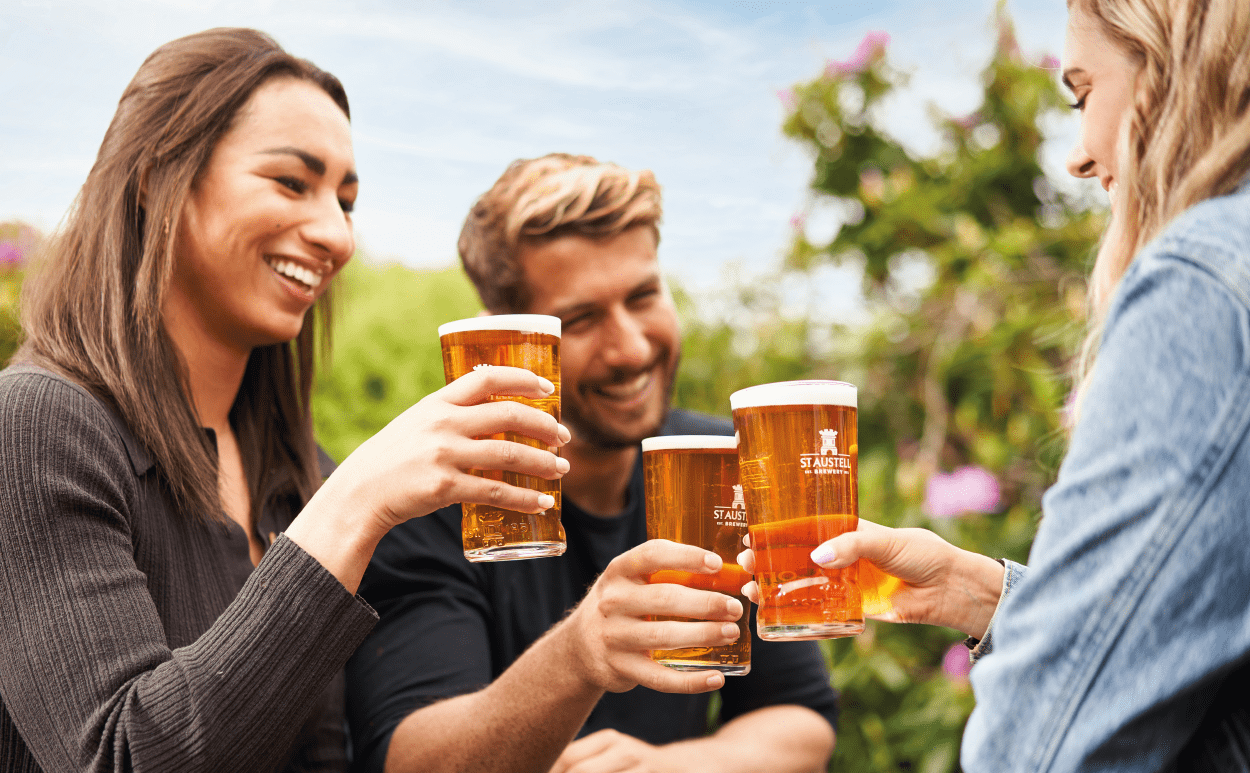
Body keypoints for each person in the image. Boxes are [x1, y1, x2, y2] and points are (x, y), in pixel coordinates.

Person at [0, 28, 573, 772]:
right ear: (154, 178)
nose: (335, 233)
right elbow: (116, 754)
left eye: (346, 200)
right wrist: (357, 503)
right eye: (292, 183)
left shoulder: (296, 472)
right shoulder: (37, 426)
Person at [741, 0, 1250, 770]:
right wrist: (975, 589)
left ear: (1170, 68)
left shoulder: (1204, 281)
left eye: (1083, 94)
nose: (1078, 156)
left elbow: (1039, 747)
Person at [344, 154, 840, 773]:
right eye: (581, 319)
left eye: (644, 296)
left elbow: (801, 719)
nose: (630, 347)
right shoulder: (429, 504)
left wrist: (673, 768)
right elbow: (407, 758)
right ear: (516, 339)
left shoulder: (724, 466)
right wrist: (579, 655)